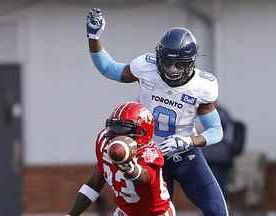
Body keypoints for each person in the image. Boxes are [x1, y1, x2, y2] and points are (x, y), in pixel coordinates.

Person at [86, 8, 229, 216]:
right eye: (167, 62)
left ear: (191, 62)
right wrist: (93, 37)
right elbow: (109, 68)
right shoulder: (146, 67)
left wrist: (189, 141)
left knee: (217, 211)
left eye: (179, 64)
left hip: (185, 154)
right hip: (149, 154)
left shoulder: (202, 86)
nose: (171, 69)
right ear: (158, 57)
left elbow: (216, 131)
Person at [66, 101, 175, 216]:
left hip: (155, 213)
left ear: (142, 132)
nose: (115, 135)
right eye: (113, 128)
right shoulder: (104, 143)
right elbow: (95, 182)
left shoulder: (150, 152)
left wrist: (131, 169)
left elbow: (143, 177)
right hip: (125, 212)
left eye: (122, 130)